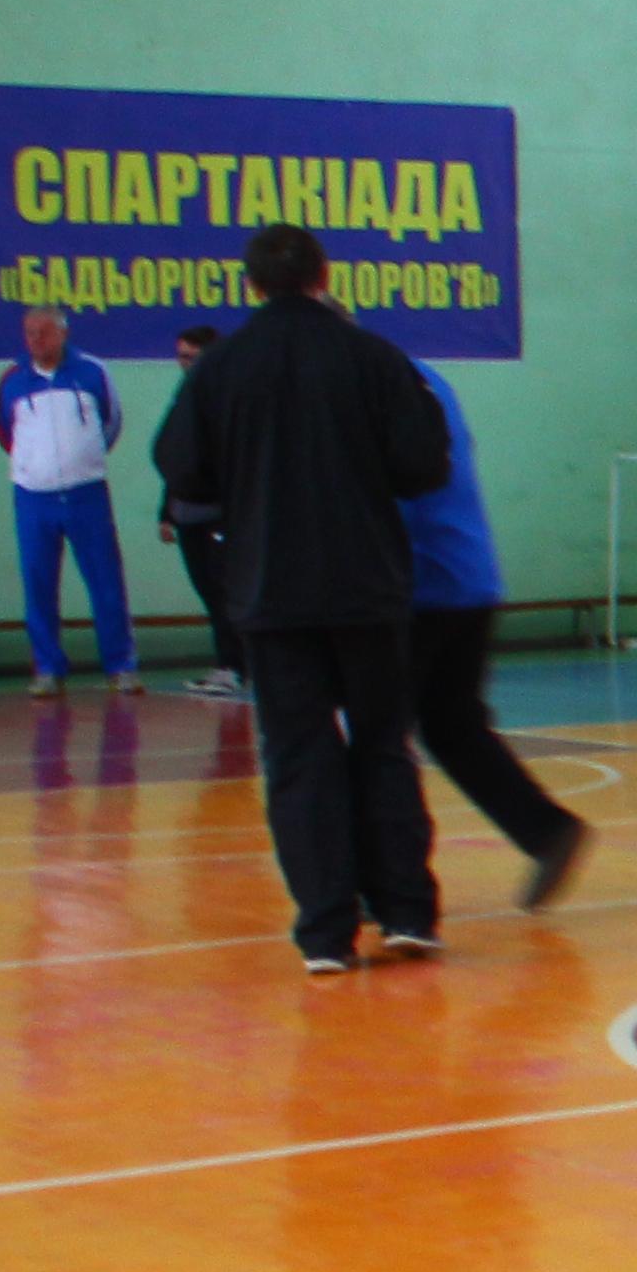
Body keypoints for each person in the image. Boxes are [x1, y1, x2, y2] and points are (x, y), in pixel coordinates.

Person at [152, 226, 450, 971]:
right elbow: (424, 465)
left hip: (270, 588)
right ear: (325, 274)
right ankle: (405, 911)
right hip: (366, 584)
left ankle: (325, 932)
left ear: (250, 285)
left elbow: (182, 469)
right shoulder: (374, 357)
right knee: (381, 745)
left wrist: (247, 478)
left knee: (297, 755)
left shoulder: (219, 370)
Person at [399, 359, 591, 909]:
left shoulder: (380, 385)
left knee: (378, 738)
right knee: (453, 726)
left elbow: (394, 491)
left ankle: (392, 881)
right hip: (468, 575)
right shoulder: (427, 379)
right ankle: (546, 830)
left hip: (421, 584)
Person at [0, 304, 137, 694]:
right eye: (30, 333)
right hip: (32, 498)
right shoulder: (12, 379)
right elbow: (4, 430)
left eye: (44, 332)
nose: (36, 340)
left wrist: (83, 460)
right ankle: (48, 668)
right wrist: (33, 466)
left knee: (106, 580)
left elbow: (112, 422)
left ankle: (120, 665)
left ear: (63, 333)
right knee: (38, 583)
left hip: (86, 494)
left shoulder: (93, 372)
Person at [153, 320, 248, 699]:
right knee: (208, 591)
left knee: (225, 591)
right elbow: (177, 457)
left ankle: (234, 666)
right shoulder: (185, 397)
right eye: (181, 357)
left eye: (192, 357)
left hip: (218, 514)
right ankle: (228, 663)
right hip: (188, 513)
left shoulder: (226, 398)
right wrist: (166, 511)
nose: (185, 364)